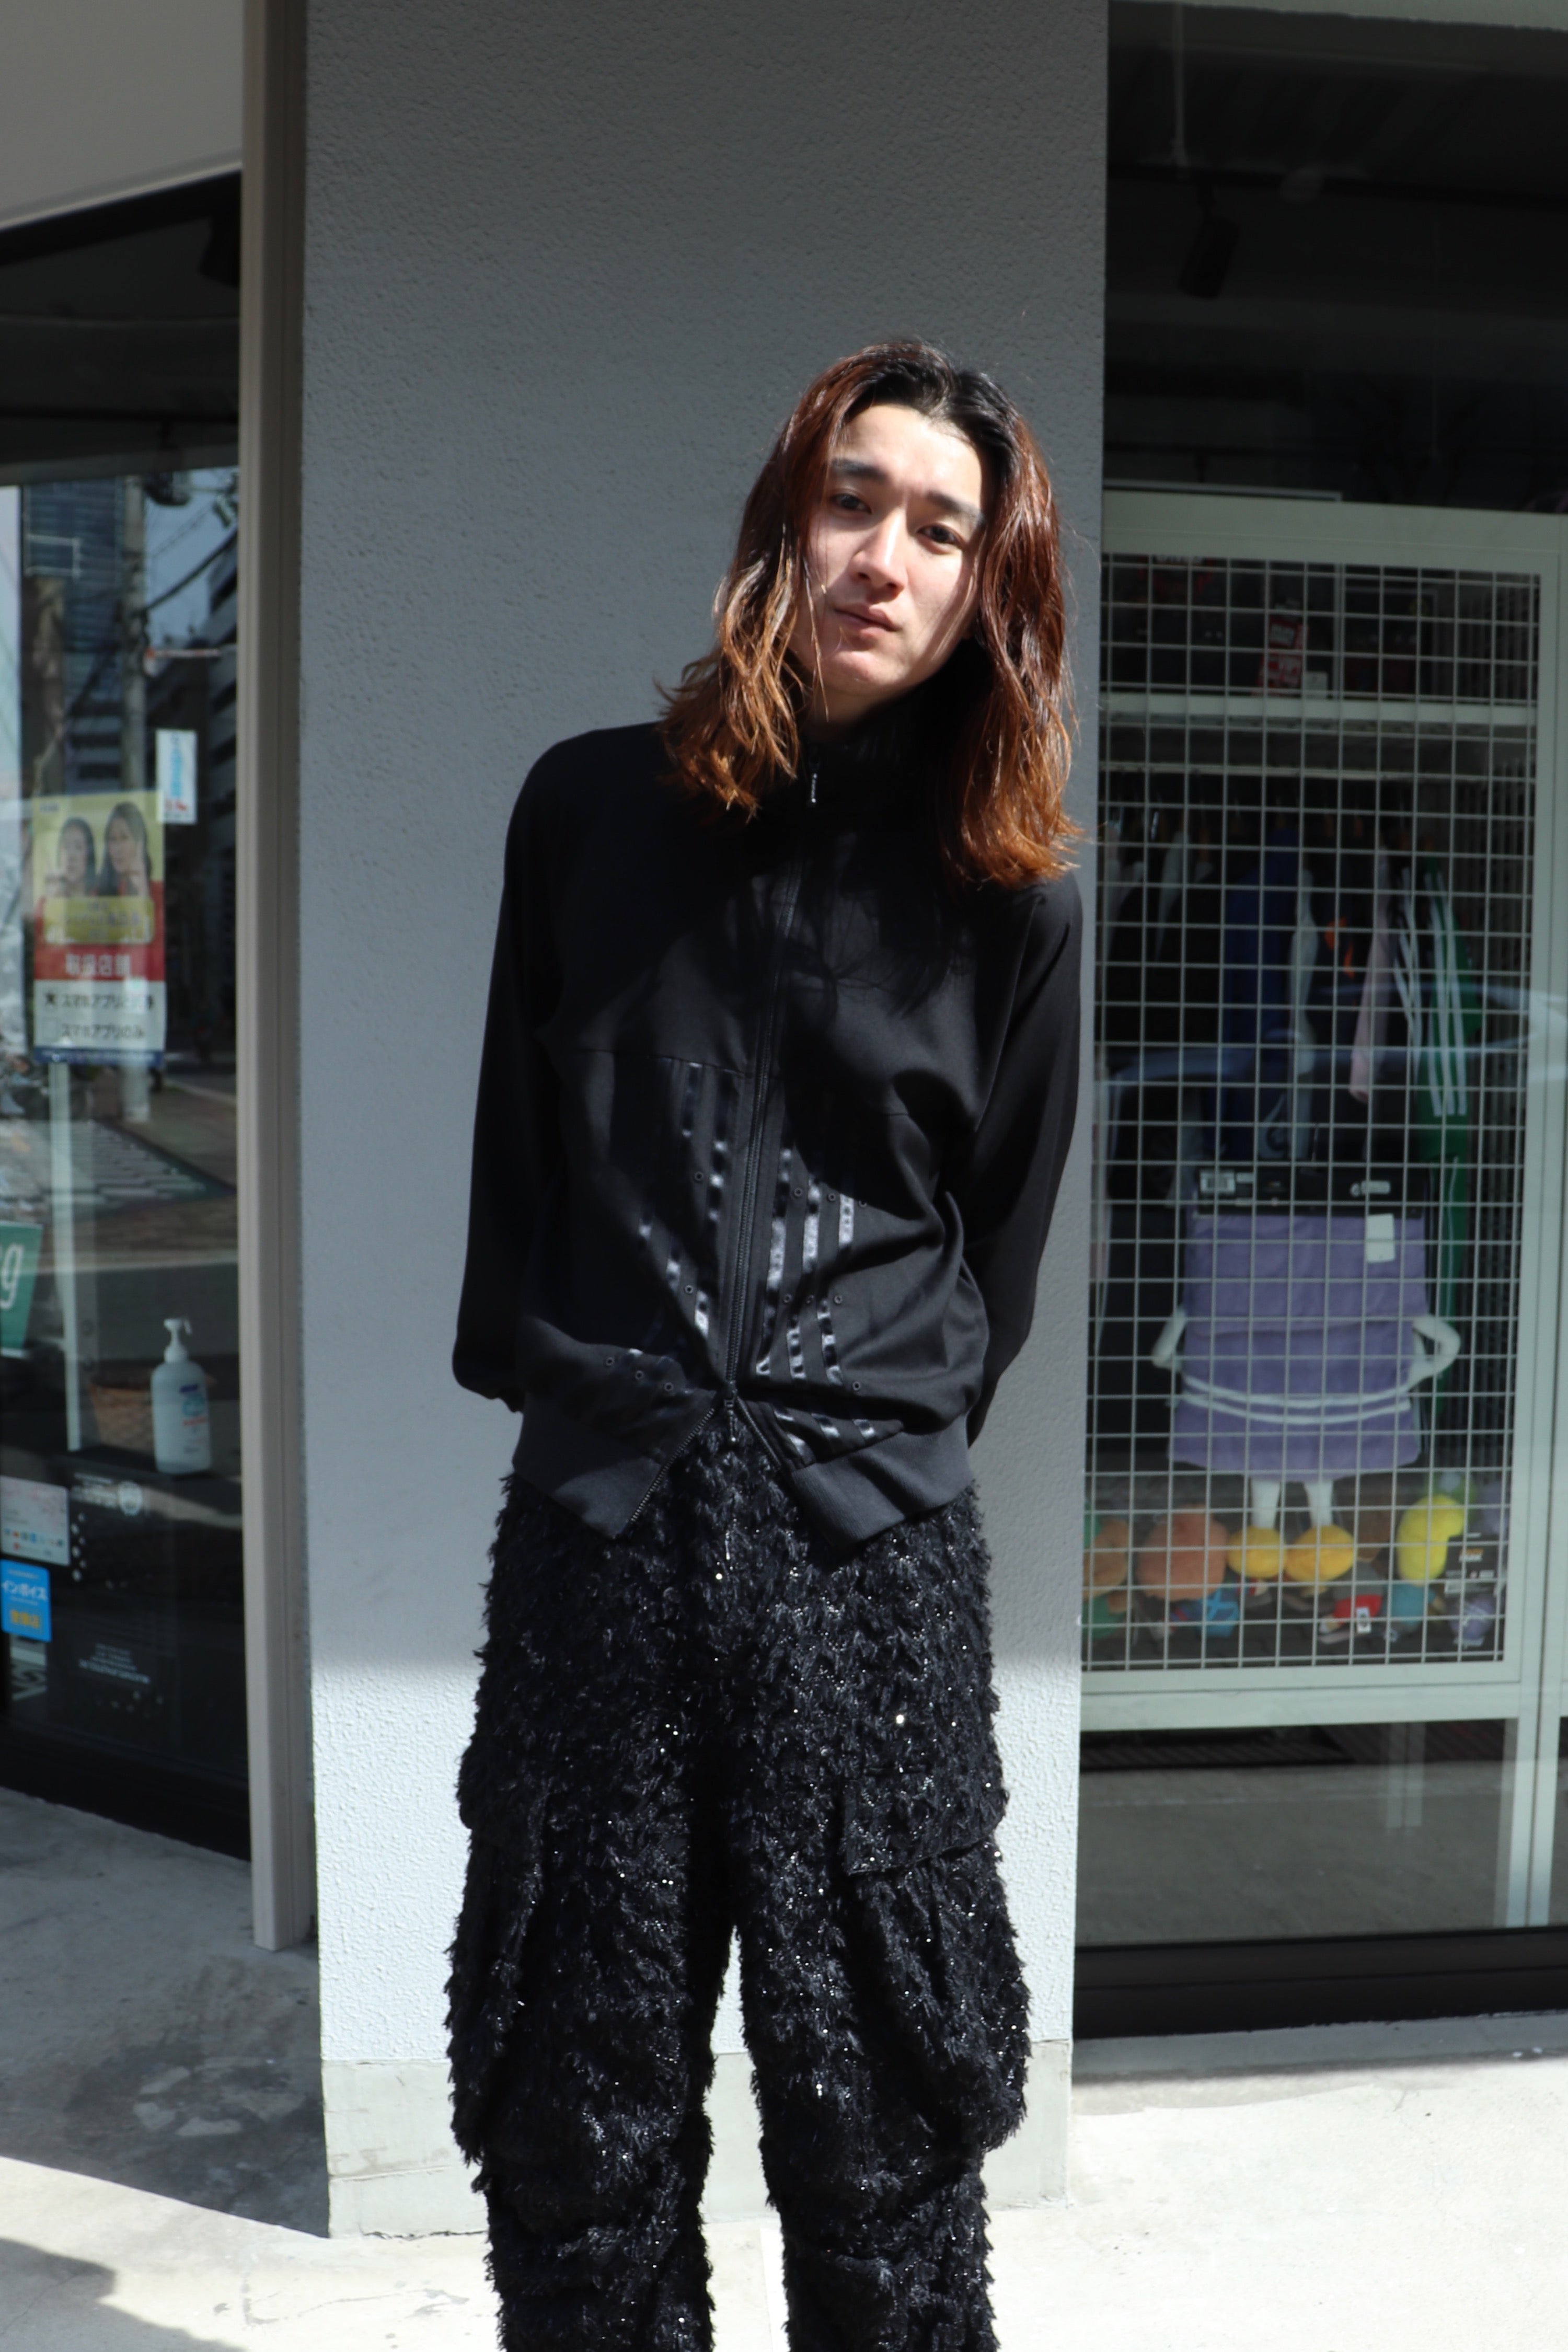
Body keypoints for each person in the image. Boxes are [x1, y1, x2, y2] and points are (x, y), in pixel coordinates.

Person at [449, 340, 1082, 2352]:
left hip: (868, 1583)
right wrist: (608, 1409)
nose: (885, 557)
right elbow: (522, 1170)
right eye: (852, 500)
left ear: (988, 588)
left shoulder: (1014, 896)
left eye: (942, 530)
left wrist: (855, 1439)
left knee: (888, 2137)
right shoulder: (584, 814)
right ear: (779, 521)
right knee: (575, 2121)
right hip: (600, 1554)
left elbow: (994, 1255)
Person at [98, 802, 154, 897]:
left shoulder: (159, 892)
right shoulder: (97, 893)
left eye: (124, 838)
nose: (118, 849)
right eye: (113, 839)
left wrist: (142, 890)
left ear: (139, 843)